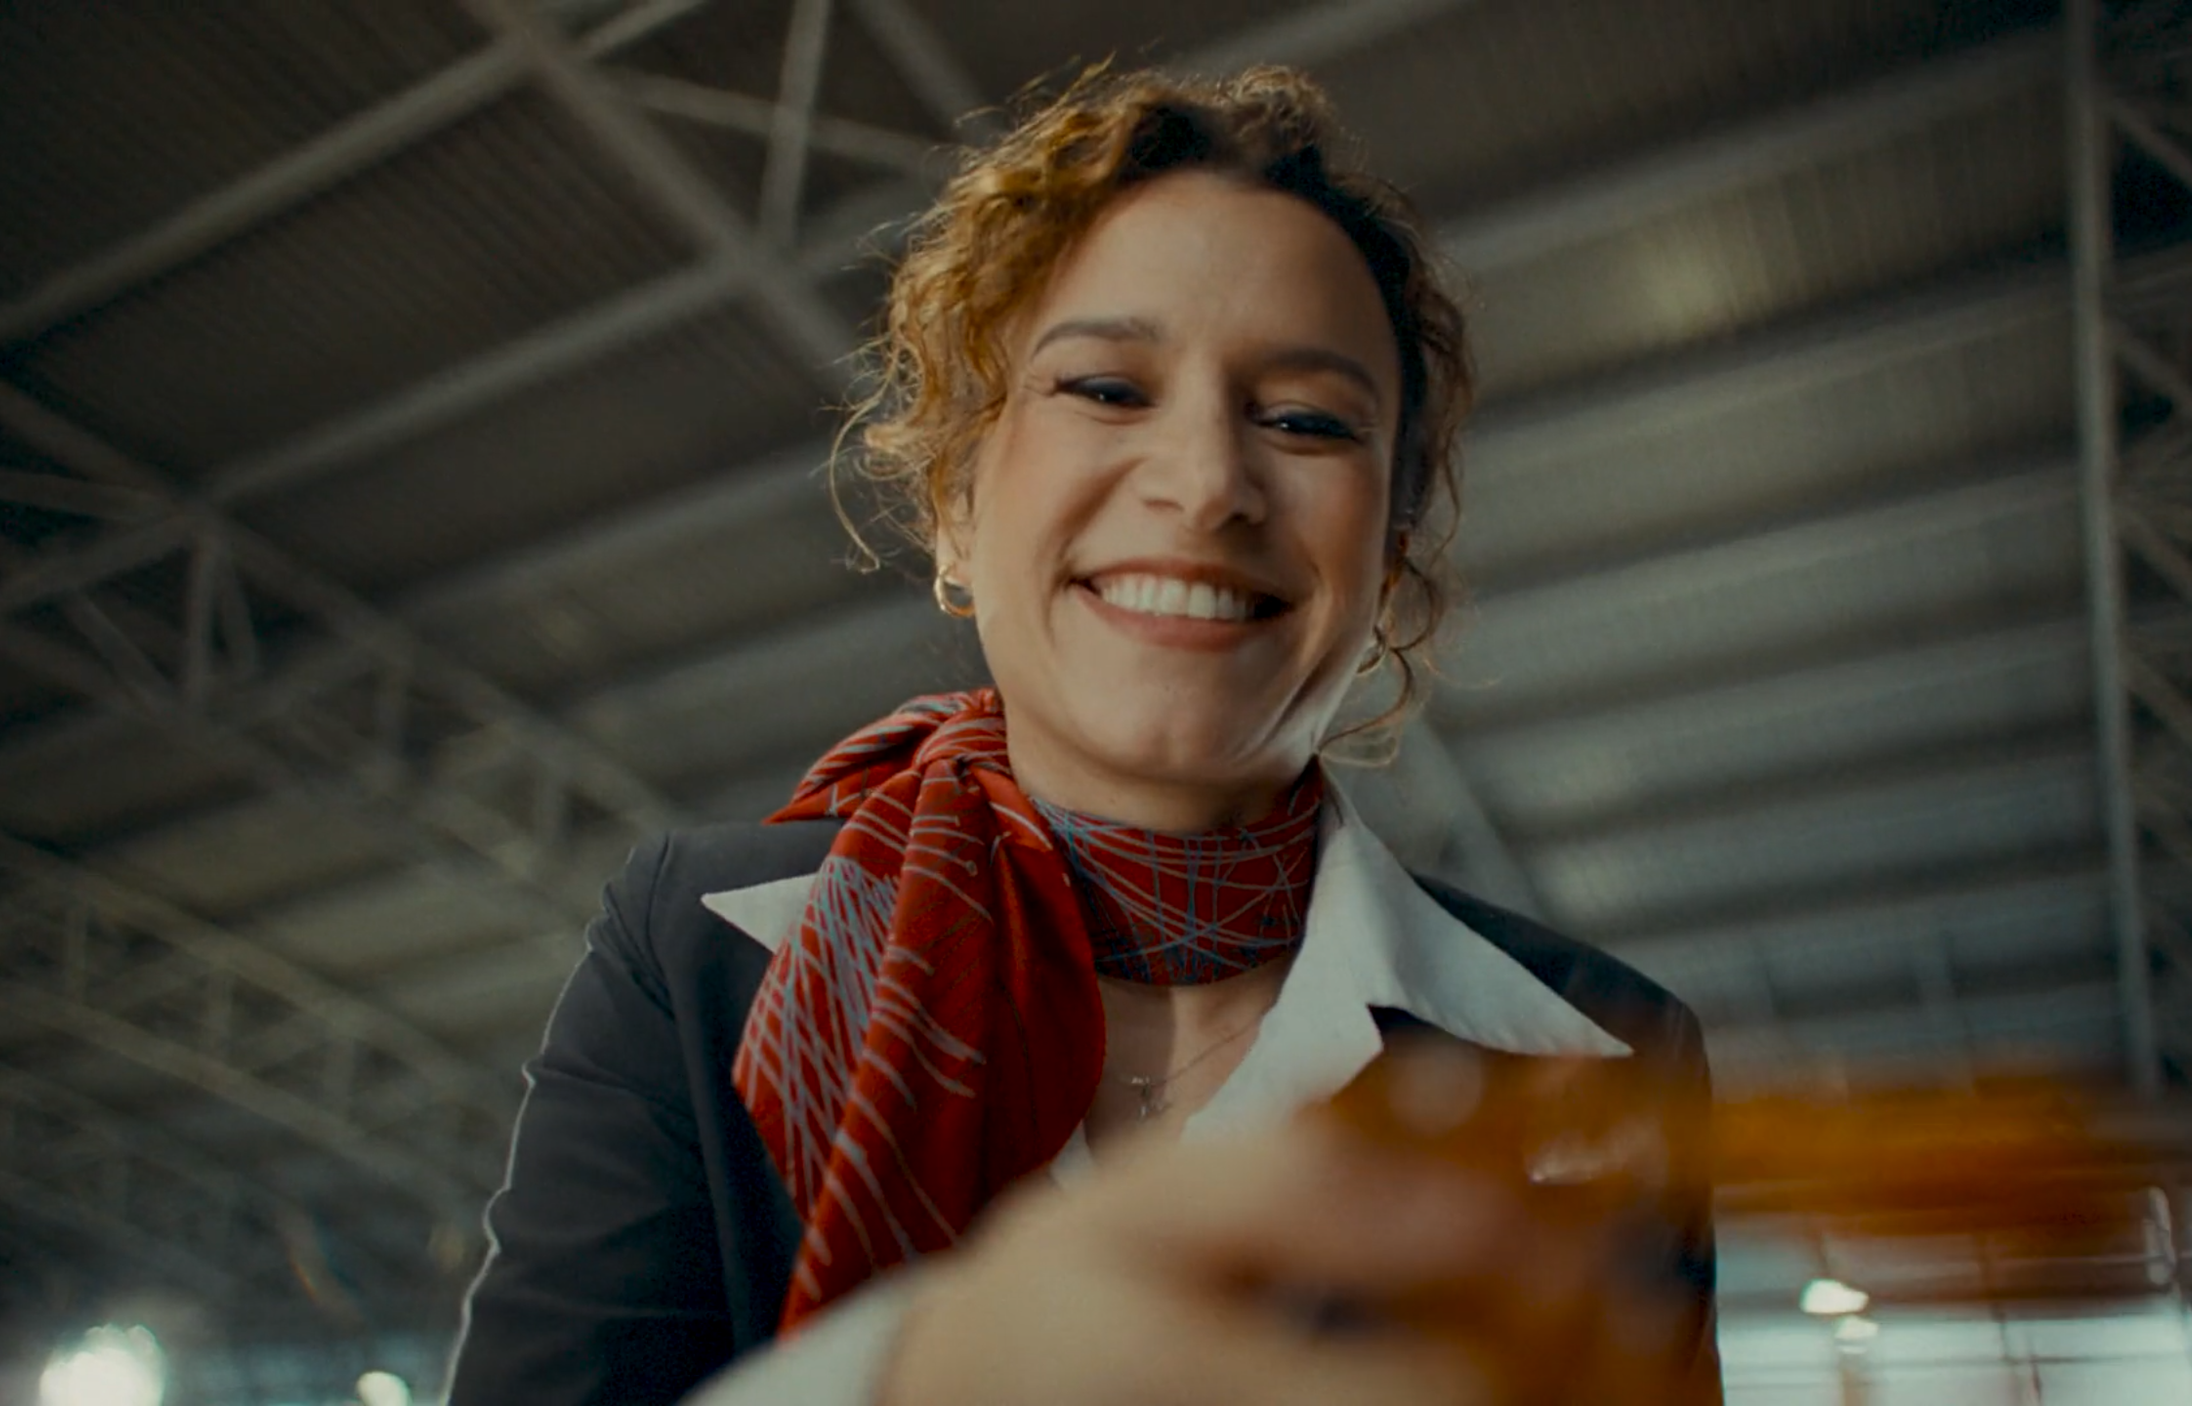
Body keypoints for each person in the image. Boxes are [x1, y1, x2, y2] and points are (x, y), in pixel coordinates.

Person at [447, 64, 1719, 1406]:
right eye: (1108, 389)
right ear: (956, 506)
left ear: (1389, 559)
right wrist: (910, 1377)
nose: (1208, 483)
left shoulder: (1608, 1053)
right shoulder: (693, 955)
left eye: (1305, 420)